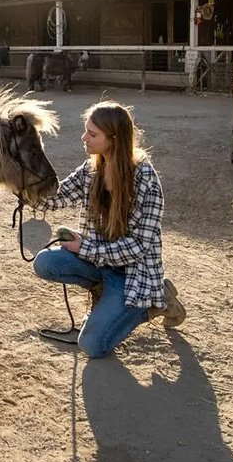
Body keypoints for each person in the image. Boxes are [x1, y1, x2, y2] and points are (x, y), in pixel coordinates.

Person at [32, 100, 185, 357]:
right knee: (45, 262)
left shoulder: (147, 181)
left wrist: (85, 247)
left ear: (113, 140)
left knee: (93, 346)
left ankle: (156, 302)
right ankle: (102, 290)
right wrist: (23, 184)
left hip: (133, 275)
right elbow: (57, 197)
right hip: (99, 261)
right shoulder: (92, 168)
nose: (84, 138)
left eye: (92, 134)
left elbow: (138, 247)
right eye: (86, 131)